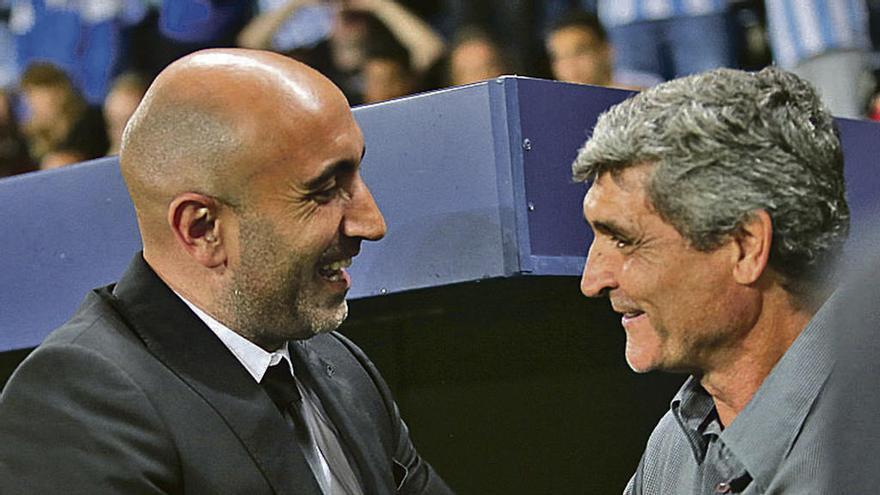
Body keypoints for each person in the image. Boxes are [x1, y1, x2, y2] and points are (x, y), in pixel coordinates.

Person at [0, 48, 453, 495]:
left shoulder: (343, 367)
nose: (371, 222)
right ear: (202, 230)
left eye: (356, 176)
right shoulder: (78, 402)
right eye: (324, 190)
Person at [573, 67, 848, 493]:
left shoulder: (861, 436)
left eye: (624, 241)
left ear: (745, 246)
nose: (592, 280)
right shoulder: (677, 442)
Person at [546, 10, 662, 90]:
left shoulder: (646, 89)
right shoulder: (550, 107)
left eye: (579, 53)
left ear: (606, 50)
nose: (570, 65)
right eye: (560, 57)